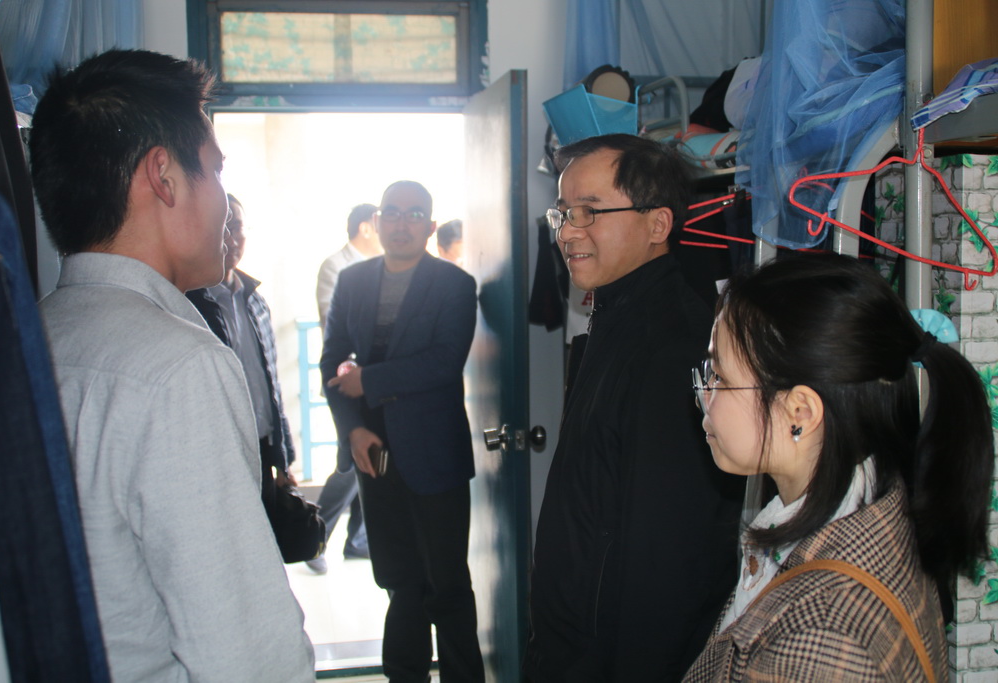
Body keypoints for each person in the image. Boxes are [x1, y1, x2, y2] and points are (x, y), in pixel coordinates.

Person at [31, 49, 314, 681]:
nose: (224, 203)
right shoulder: (179, 367)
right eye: (214, 170)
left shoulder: (36, 335)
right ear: (163, 176)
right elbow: (247, 656)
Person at [683, 252, 993, 680]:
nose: (705, 393)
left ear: (800, 412)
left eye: (719, 376)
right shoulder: (879, 504)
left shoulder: (823, 636)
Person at [525, 134, 745, 682]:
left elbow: (670, 559)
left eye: (589, 212)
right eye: (562, 213)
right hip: (571, 646)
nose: (567, 232)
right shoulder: (615, 315)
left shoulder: (676, 345)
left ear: (657, 224)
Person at [321, 180, 485, 682]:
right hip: (374, 451)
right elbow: (331, 362)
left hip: (435, 454)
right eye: (391, 212)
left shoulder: (454, 284)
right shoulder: (352, 281)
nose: (401, 223)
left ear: (429, 226)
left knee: (448, 585)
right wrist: (352, 430)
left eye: (414, 215)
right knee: (399, 582)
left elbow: (443, 361)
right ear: (377, 222)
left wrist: (368, 380)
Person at [186, 194, 298, 506]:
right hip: (218, 452)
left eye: (237, 227)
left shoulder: (255, 301)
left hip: (262, 445)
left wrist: (283, 458)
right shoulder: (188, 303)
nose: (231, 239)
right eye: (221, 227)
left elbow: (270, 385)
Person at [306, 202, 381, 575]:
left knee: (371, 458)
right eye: (381, 221)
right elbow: (331, 326)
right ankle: (314, 538)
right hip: (348, 383)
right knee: (351, 463)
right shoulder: (336, 266)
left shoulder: (380, 265)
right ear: (366, 227)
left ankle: (357, 541)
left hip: (374, 383)